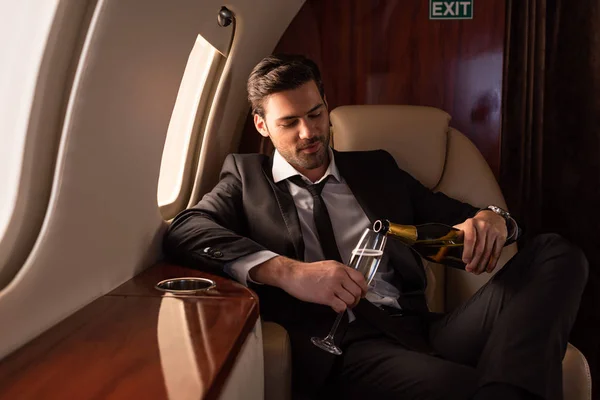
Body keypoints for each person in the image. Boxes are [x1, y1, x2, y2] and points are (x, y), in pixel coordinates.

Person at [163, 54, 588, 400]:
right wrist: (290, 272)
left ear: (327, 106)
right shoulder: (244, 177)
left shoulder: (376, 168)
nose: (309, 132)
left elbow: (463, 216)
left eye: (315, 114)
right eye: (289, 122)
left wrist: (495, 219)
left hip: (421, 328)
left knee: (558, 253)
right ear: (262, 126)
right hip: (343, 346)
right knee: (464, 389)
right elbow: (186, 229)